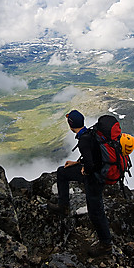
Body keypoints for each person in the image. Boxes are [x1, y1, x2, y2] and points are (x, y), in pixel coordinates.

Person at [47, 110, 112, 257]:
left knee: (96, 211)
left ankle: (106, 244)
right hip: (97, 172)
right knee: (62, 172)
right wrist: (77, 163)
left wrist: (85, 170)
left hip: (95, 178)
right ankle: (63, 206)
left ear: (71, 125)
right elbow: (93, 155)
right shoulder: (89, 133)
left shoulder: (83, 140)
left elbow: (90, 163)